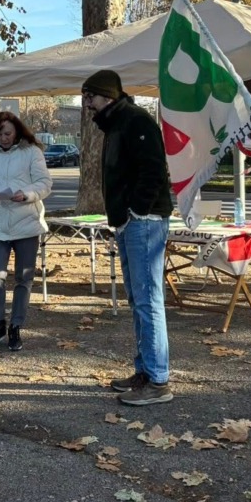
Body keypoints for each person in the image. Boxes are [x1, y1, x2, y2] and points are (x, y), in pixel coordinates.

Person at [82, 69, 175, 406]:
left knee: (149, 300)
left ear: (105, 95)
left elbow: (154, 169)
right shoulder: (118, 123)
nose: (87, 104)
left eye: (89, 97)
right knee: (139, 300)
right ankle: (146, 372)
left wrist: (136, 210)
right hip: (130, 222)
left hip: (144, 222)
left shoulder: (136, 121)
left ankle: (158, 380)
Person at [0, 111, 51, 351]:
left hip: (25, 222)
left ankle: (16, 325)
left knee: (23, 278)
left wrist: (27, 195)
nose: (3, 138)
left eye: (7, 133)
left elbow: (44, 183)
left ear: (17, 131)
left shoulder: (32, 152)